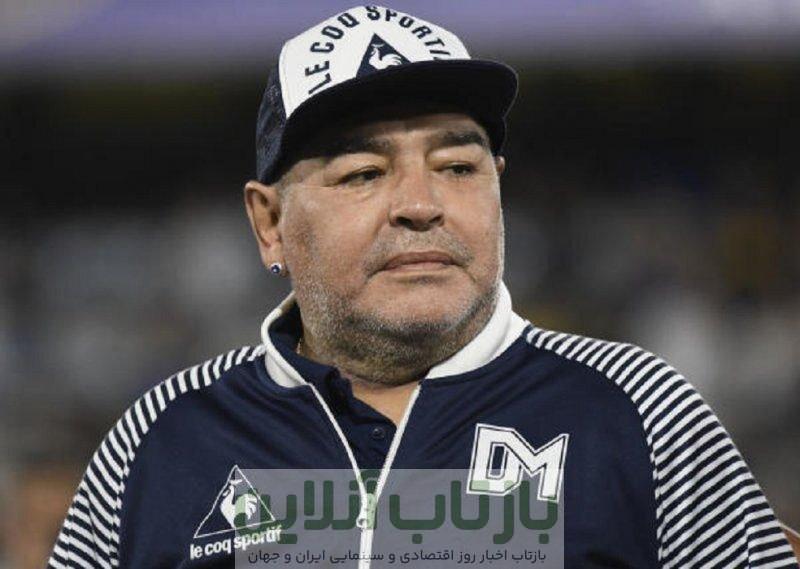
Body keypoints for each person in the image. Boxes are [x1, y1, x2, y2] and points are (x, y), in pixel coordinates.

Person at [49, 5, 797, 568]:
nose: (420, 204)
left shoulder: (644, 415)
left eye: (457, 166)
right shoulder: (160, 439)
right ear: (269, 222)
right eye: (363, 173)